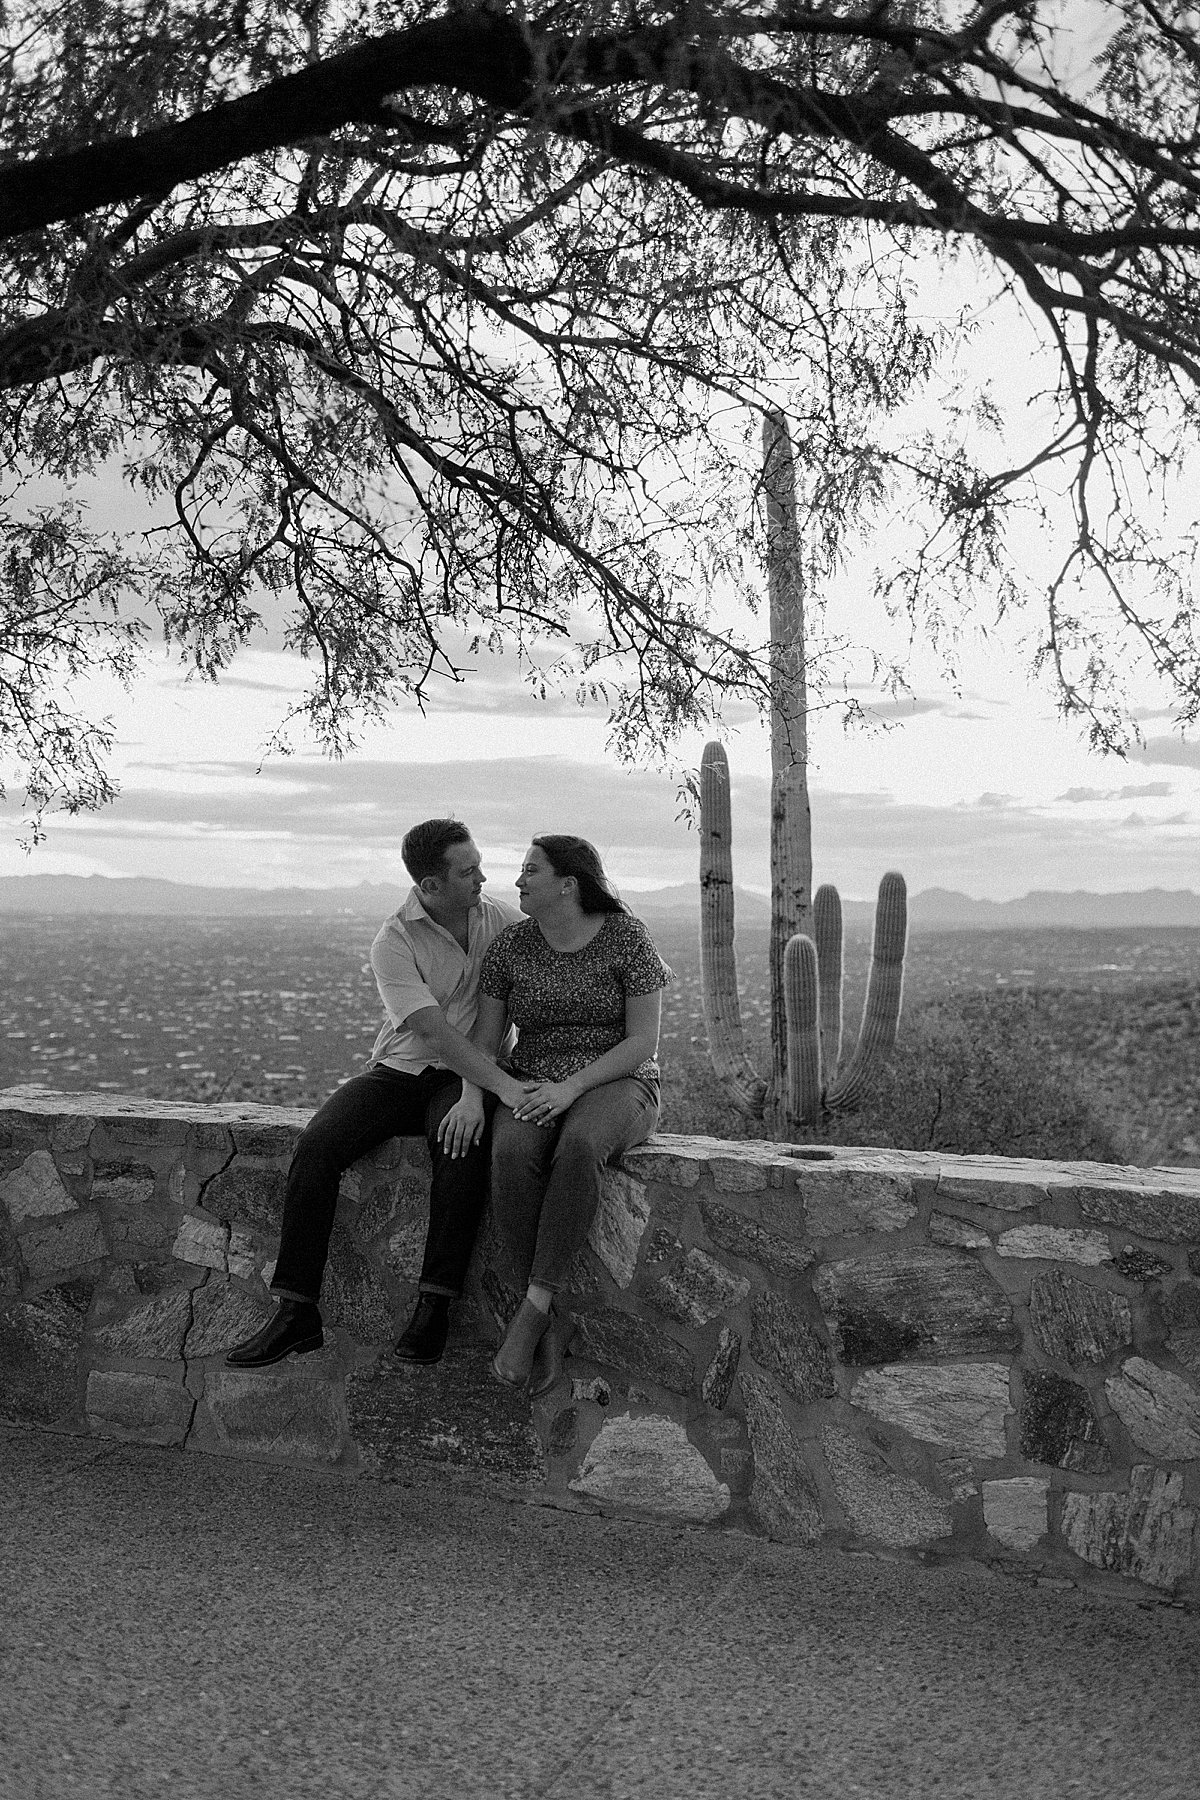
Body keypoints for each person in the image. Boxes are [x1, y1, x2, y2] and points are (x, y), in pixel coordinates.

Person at [225, 819, 534, 1370]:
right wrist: (502, 1088)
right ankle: (296, 1311)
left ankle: (434, 1305)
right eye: (468, 872)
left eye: (479, 865)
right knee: (318, 1146)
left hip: (467, 1075)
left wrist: (475, 1094)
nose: (483, 879)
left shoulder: (502, 922)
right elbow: (434, 1033)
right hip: (402, 1069)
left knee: (460, 1147)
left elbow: (561, 936)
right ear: (430, 885)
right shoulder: (394, 940)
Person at [473, 835, 672, 1395]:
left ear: (569, 883)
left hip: (618, 1081)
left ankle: (533, 1309)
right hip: (534, 1082)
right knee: (510, 1152)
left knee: (580, 1146)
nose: (517, 881)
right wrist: (489, 1093)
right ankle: (549, 1317)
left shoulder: (627, 938)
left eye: (530, 871)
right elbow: (486, 1041)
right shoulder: (511, 947)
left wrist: (571, 1088)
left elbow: (642, 1043)